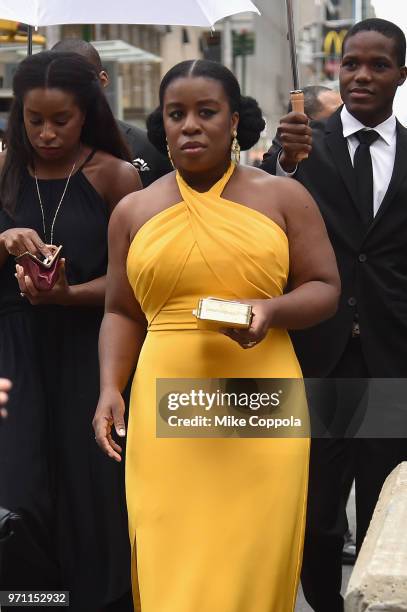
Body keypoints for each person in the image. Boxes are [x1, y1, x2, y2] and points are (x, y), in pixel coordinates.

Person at [92, 58, 340, 612]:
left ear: (234, 121)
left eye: (207, 112)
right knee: (170, 547)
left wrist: (272, 310)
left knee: (251, 551)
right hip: (164, 401)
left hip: (259, 394)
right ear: (162, 124)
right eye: (176, 114)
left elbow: (324, 286)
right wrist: (111, 388)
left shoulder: (282, 197)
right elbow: (121, 312)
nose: (190, 125)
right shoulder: (133, 210)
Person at [261, 18, 407, 612]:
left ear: (402, 74)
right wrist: (287, 165)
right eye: (350, 64)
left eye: (377, 65)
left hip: (392, 356)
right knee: (317, 513)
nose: (361, 75)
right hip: (315, 354)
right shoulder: (300, 145)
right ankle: (322, 603)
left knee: (385, 509)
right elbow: (263, 222)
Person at [0, 51, 141, 611]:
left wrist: (68, 294)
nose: (47, 133)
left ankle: (97, 602)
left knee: (93, 493)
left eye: (61, 119)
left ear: (88, 113)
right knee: (20, 490)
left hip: (91, 347)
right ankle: (33, 602)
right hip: (14, 350)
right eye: (34, 119)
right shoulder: (4, 171)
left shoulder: (115, 174)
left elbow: (135, 289)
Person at [51, 39, 173, 187]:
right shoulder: (33, 152)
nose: (67, 95)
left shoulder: (148, 148)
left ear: (103, 80)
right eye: (57, 84)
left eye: (77, 83)